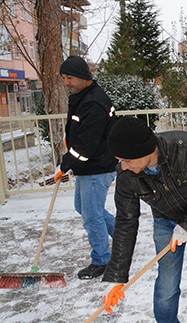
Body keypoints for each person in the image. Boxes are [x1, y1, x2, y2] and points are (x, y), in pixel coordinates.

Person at [101, 117, 187, 322]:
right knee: (167, 284)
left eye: (127, 160)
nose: (123, 166)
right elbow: (125, 222)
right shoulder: (126, 176)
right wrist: (116, 278)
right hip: (166, 221)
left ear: (144, 151)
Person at [57, 55, 118, 279]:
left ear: (83, 77)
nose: (66, 82)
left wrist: (67, 162)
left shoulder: (93, 102)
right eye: (64, 78)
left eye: (70, 77)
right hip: (89, 167)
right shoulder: (83, 96)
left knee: (91, 215)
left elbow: (87, 144)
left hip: (97, 167)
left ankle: (102, 260)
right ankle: (121, 235)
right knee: (84, 207)